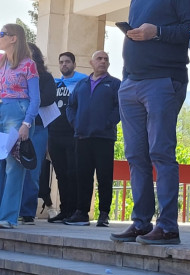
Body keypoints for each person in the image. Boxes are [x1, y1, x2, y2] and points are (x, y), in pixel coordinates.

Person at [110, 0, 190, 245]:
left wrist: (156, 32)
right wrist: (126, 77)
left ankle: (168, 226)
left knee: (161, 151)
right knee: (136, 155)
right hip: (132, 84)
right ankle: (140, 223)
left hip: (163, 82)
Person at [65, 51, 120, 227]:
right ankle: (81, 213)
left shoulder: (115, 84)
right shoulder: (81, 84)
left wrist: (108, 122)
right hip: (82, 137)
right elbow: (70, 107)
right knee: (83, 176)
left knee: (105, 177)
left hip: (104, 137)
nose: (103, 61)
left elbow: (120, 107)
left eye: (106, 59)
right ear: (91, 62)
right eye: (99, 59)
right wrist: (75, 123)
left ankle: (104, 214)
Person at [0, 24, 40, 228]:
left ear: (14, 38)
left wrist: (27, 123)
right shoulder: (1, 61)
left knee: (14, 166)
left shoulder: (28, 65)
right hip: (1, 110)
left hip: (18, 112)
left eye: (2, 34)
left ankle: (8, 217)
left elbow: (36, 99)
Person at [19, 43, 57, 225]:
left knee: (33, 171)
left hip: (39, 126)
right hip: (15, 125)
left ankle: (27, 212)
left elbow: (49, 97)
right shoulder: (13, 73)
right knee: (12, 169)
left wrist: (29, 100)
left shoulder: (46, 77)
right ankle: (10, 209)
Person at [48, 52, 86, 223]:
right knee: (61, 174)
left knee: (73, 172)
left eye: (67, 62)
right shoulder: (55, 84)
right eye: (61, 62)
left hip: (73, 134)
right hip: (54, 134)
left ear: (74, 64)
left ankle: (75, 210)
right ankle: (64, 210)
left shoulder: (82, 82)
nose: (64, 65)